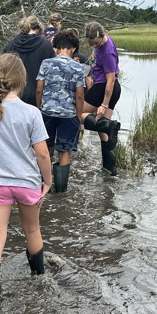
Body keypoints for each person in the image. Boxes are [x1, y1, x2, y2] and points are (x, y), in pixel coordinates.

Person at [0, 53, 52, 303]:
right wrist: (47, 182)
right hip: (27, 182)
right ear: (22, 80)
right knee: (32, 230)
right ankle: (39, 279)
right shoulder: (31, 113)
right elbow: (42, 155)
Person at [35, 30, 87, 194]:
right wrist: (78, 118)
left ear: (56, 48)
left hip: (47, 112)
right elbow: (79, 95)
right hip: (68, 114)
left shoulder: (46, 63)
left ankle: (45, 185)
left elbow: (38, 89)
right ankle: (61, 190)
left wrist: (39, 109)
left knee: (46, 147)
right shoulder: (78, 67)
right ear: (73, 49)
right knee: (64, 151)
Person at [81, 21, 122, 176]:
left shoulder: (108, 51)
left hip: (105, 88)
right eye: (92, 44)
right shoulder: (101, 40)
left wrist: (104, 104)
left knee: (75, 115)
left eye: (97, 44)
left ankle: (107, 126)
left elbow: (110, 79)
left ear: (101, 36)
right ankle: (110, 169)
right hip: (110, 88)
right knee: (104, 133)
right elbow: (95, 56)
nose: (95, 46)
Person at [3, 15, 55, 106]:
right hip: (38, 97)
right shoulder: (46, 46)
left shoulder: (11, 45)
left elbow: (2, 68)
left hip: (14, 94)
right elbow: (52, 73)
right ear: (38, 28)